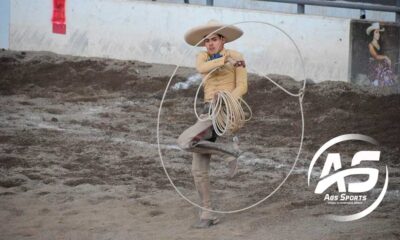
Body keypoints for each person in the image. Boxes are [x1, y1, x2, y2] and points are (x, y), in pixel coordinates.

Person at [177, 20, 248, 228]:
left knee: (185, 141)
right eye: (206, 41)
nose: (209, 44)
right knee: (198, 170)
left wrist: (227, 100)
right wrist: (222, 59)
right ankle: (207, 214)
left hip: (224, 111)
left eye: (214, 39)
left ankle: (227, 153)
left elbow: (242, 86)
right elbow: (201, 68)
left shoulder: (237, 57)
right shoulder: (203, 57)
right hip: (206, 112)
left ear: (222, 40)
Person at [366, 22, 395, 86]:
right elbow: (375, 56)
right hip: (374, 66)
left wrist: (387, 60)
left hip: (380, 63)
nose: (378, 34)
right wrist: (385, 57)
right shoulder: (370, 45)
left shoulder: (379, 44)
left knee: (388, 70)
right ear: (372, 34)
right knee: (381, 72)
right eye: (376, 32)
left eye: (379, 32)